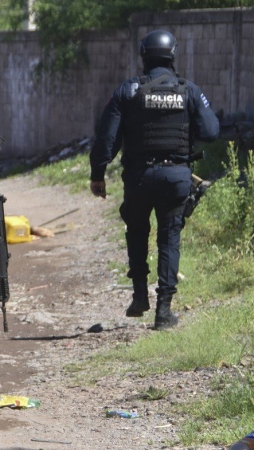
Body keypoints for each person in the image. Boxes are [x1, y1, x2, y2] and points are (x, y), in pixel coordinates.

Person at [89, 30, 219, 330]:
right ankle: (164, 311)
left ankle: (138, 297)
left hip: (138, 177)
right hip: (176, 176)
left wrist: (98, 175)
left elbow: (107, 139)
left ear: (143, 55)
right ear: (172, 55)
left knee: (136, 231)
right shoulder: (189, 90)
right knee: (169, 238)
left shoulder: (128, 90)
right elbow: (211, 131)